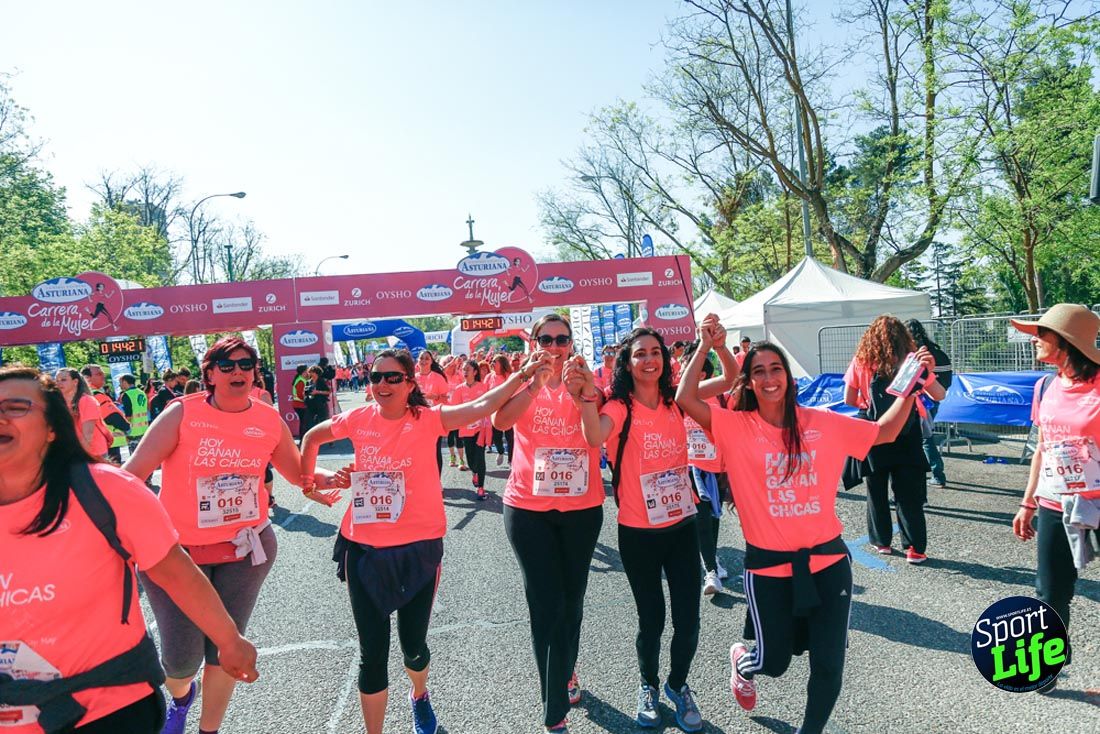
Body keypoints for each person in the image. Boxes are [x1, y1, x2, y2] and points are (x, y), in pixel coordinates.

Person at [676, 314, 927, 734]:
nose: (769, 378)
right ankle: (743, 661)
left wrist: (909, 386)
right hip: (768, 568)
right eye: (759, 371)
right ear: (749, 382)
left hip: (829, 563)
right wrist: (707, 346)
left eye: (776, 369)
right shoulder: (734, 426)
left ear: (788, 378)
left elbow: (882, 433)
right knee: (773, 662)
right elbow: (685, 397)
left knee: (828, 665)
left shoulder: (820, 422)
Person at [0, 366, 258, 734]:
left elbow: (176, 572)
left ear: (53, 427)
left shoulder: (107, 490)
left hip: (108, 709)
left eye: (15, 407)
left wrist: (229, 641)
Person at [299, 348, 545, 734]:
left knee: (413, 648)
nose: (382, 384)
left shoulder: (428, 419)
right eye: (376, 377)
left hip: (419, 550)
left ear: (409, 383)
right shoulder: (358, 419)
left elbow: (482, 406)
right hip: (363, 550)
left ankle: (419, 694)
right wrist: (311, 483)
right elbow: (311, 437)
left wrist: (523, 376)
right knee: (372, 655)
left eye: (392, 377)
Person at [122, 337, 347, 734]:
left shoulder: (267, 420)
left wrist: (326, 478)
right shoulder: (181, 414)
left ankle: (209, 729)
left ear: (254, 373)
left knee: (225, 649)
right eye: (226, 366)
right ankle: (181, 697)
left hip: (245, 551)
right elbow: (132, 477)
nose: (237, 372)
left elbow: (298, 472)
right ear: (210, 374)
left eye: (245, 365)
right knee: (180, 662)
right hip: (177, 556)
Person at [577, 328, 704, 732]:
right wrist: (586, 398)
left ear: (665, 359)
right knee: (652, 620)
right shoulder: (620, 407)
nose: (649, 360)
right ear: (627, 363)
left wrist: (710, 346)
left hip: (683, 526)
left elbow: (727, 381)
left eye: (655, 353)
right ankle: (648, 685)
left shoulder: (676, 401)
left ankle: (677, 686)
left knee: (689, 621)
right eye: (640, 354)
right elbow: (594, 435)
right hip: (638, 532)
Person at [491, 315, 605, 733]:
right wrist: (534, 384)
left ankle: (566, 669)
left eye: (562, 339)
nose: (554, 346)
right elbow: (501, 422)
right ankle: (554, 708)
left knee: (572, 602)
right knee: (545, 605)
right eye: (546, 339)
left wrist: (585, 393)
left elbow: (596, 435)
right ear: (535, 342)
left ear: (571, 342)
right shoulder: (523, 380)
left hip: (581, 508)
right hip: (527, 508)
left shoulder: (587, 380)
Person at [1011, 304, 1100, 693]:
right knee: (1050, 591)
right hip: (1054, 502)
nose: (1034, 341)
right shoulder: (1045, 386)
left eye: (1041, 334)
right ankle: (1049, 664)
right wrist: (1027, 502)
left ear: (1065, 342)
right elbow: (1043, 449)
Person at [844, 316, 945, 563]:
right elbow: (939, 394)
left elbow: (849, 399)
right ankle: (915, 548)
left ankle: (882, 542)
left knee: (876, 491)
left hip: (873, 431)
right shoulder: (911, 362)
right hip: (907, 432)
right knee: (908, 493)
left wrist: (869, 405)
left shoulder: (861, 361)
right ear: (904, 337)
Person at [677, 340, 739, 597]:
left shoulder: (722, 398)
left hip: (717, 468)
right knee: (701, 517)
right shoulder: (680, 397)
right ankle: (711, 571)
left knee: (713, 516)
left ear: (701, 374)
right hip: (692, 467)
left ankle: (712, 558)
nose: (681, 371)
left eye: (686, 366)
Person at [905, 319, 952, 486]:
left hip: (918, 399)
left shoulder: (914, 353)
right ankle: (934, 473)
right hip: (934, 398)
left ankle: (936, 474)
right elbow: (947, 380)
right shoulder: (937, 352)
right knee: (925, 436)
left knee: (923, 438)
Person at [451, 360, 490, 498]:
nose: (465, 372)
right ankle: (474, 473)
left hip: (481, 428)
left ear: (475, 372)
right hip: (466, 429)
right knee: (471, 459)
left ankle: (481, 488)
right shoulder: (459, 389)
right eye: (463, 369)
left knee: (480, 458)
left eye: (468, 369)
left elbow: (489, 405)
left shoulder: (483, 387)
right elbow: (454, 409)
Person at [54, 368, 111, 459]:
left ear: (75, 382)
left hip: (92, 453)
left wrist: (78, 457)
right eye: (56, 380)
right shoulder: (60, 403)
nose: (58, 383)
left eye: (63, 380)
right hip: (73, 453)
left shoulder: (86, 400)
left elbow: (88, 434)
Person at [80, 364, 130, 463]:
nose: (103, 376)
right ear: (87, 378)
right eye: (99, 374)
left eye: (102, 374)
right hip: (106, 443)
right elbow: (112, 416)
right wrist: (127, 428)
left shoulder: (81, 395)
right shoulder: (96, 395)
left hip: (92, 444)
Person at [415, 350, 451, 475]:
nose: (423, 361)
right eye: (421, 358)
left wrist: (435, 397)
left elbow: (446, 398)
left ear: (431, 361)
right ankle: (423, 477)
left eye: (427, 358)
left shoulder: (438, 378)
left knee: (435, 450)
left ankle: (437, 479)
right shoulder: (413, 379)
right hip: (416, 419)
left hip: (434, 418)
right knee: (419, 451)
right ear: (417, 361)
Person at [487, 355, 515, 466]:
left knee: (510, 437)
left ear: (502, 364)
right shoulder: (489, 377)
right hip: (494, 411)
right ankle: (500, 451)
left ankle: (511, 460)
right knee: (496, 437)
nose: (492, 363)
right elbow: (485, 393)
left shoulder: (510, 376)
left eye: (495, 361)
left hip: (509, 410)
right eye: (492, 361)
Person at [118, 373, 150, 456]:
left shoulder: (127, 395)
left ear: (125, 382)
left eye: (120, 383)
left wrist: (125, 431)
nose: (119, 385)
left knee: (135, 457)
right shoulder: (142, 393)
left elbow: (128, 415)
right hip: (144, 429)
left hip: (133, 432)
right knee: (145, 456)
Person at [291, 364, 309, 438]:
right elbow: (300, 394)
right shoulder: (300, 381)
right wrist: (307, 401)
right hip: (300, 404)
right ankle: (303, 438)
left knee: (304, 422)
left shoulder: (301, 379)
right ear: (303, 372)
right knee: (304, 423)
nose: (308, 372)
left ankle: (303, 438)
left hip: (299, 404)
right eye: (307, 371)